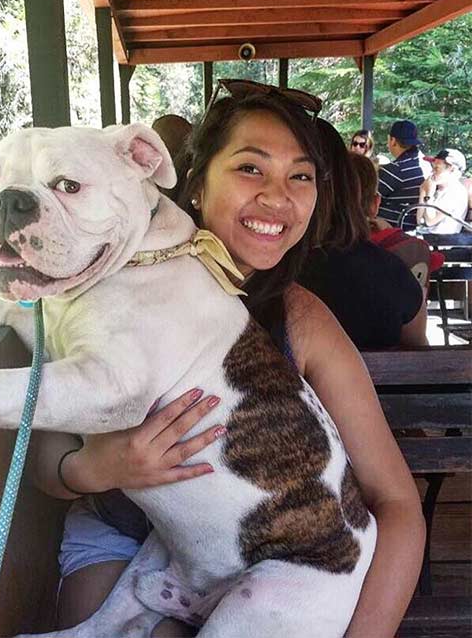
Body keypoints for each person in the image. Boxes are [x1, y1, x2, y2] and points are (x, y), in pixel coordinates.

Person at [30, 84, 425, 638]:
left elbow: (398, 502)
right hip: (126, 535)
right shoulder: (106, 288)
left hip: (269, 561)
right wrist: (100, 468)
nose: (277, 197)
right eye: (250, 168)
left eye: (301, 176)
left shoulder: (299, 319)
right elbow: (46, 460)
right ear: (196, 181)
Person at [298, 121, 428, 350]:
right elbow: (421, 353)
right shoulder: (395, 272)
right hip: (388, 385)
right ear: (374, 205)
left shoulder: (285, 272)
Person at [350, 152, 444, 293]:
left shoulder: (313, 253)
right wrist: (392, 235)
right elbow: (437, 259)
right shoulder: (407, 249)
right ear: (376, 204)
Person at [377, 120, 430, 231]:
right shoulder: (424, 165)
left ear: (392, 141)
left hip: (392, 233)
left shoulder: (396, 170)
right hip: (414, 230)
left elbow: (365, 199)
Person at [417, 148, 469, 234]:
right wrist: (423, 191)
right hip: (427, 238)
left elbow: (430, 221)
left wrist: (429, 193)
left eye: (437, 168)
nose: (432, 171)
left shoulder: (456, 192)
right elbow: (419, 221)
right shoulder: (438, 189)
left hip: (442, 242)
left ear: (451, 169)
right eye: (433, 167)